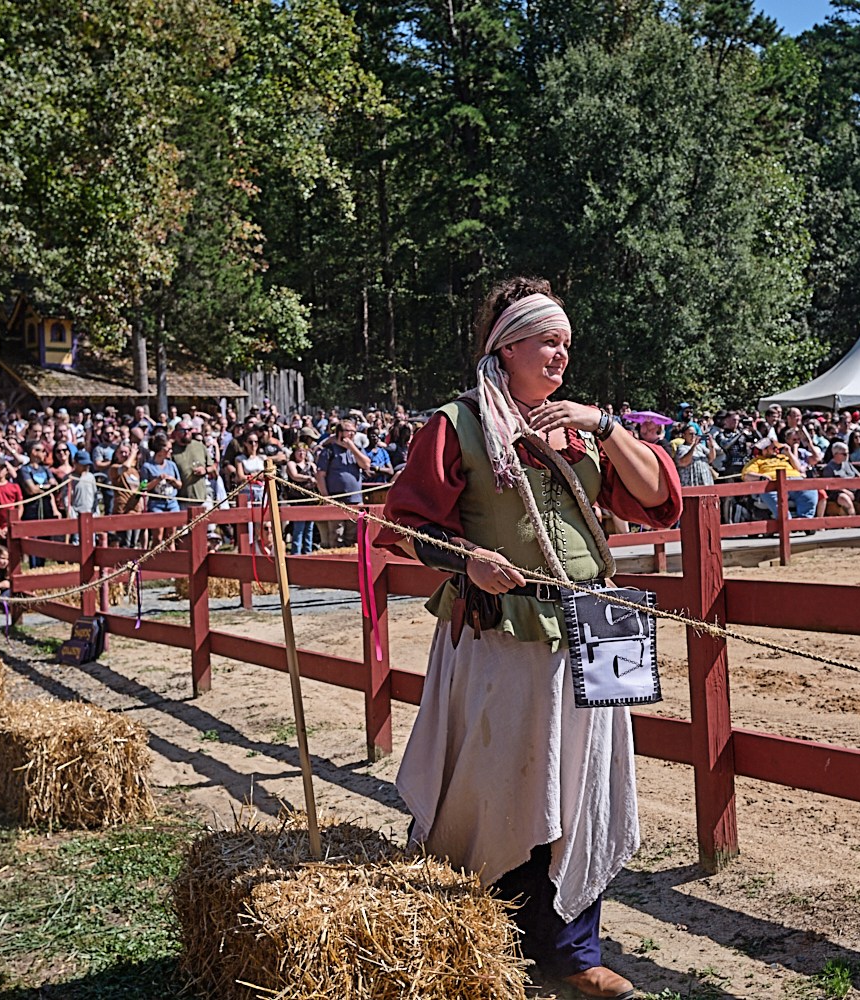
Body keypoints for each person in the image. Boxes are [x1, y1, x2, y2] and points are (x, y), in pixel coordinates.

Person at [376, 278, 680, 999]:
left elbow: (659, 501)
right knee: (500, 789)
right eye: (548, 340)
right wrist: (466, 560)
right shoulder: (459, 424)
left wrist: (605, 427)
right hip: (502, 633)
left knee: (585, 790)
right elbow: (405, 526)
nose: (560, 355)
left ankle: (574, 954)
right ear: (505, 347)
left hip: (595, 624)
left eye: (567, 344)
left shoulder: (581, 429)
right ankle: (480, 937)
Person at [315, 419, 370, 547]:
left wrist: (352, 447)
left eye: (354, 431)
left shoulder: (357, 449)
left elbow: (366, 465)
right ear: (339, 432)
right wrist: (325, 495)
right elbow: (320, 475)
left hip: (355, 499)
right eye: (348, 431)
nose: (352, 434)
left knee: (354, 535)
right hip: (336, 499)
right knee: (337, 535)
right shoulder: (329, 450)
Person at [742, 432, 816, 521]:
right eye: (773, 448)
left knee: (810, 491)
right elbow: (747, 475)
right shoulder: (756, 461)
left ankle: (805, 522)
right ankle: (786, 522)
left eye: (777, 447)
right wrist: (761, 477)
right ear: (764, 450)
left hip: (795, 481)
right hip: (774, 484)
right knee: (773, 497)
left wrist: (788, 452)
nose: (776, 449)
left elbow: (798, 467)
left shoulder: (784, 457)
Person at [141, 434, 181, 545]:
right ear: (161, 450)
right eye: (169, 449)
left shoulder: (172, 465)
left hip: (172, 502)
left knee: (171, 538)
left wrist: (172, 480)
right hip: (156, 504)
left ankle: (172, 561)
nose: (171, 451)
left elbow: (179, 484)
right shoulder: (147, 466)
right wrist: (157, 480)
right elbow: (143, 487)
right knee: (158, 538)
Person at [284, 441, 319, 554]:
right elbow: (294, 476)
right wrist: (308, 478)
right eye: (299, 451)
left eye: (303, 451)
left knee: (309, 528)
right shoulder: (291, 464)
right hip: (297, 500)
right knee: (298, 529)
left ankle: (307, 552)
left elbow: (318, 477)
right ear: (294, 453)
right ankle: (296, 553)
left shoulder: (311, 465)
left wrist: (314, 483)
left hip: (310, 500)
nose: (301, 453)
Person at [171, 418, 211, 511]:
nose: (187, 432)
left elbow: (211, 467)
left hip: (202, 497)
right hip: (183, 500)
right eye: (182, 430)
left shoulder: (199, 446)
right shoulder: (172, 450)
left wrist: (205, 470)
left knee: (208, 525)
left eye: (189, 430)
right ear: (175, 433)